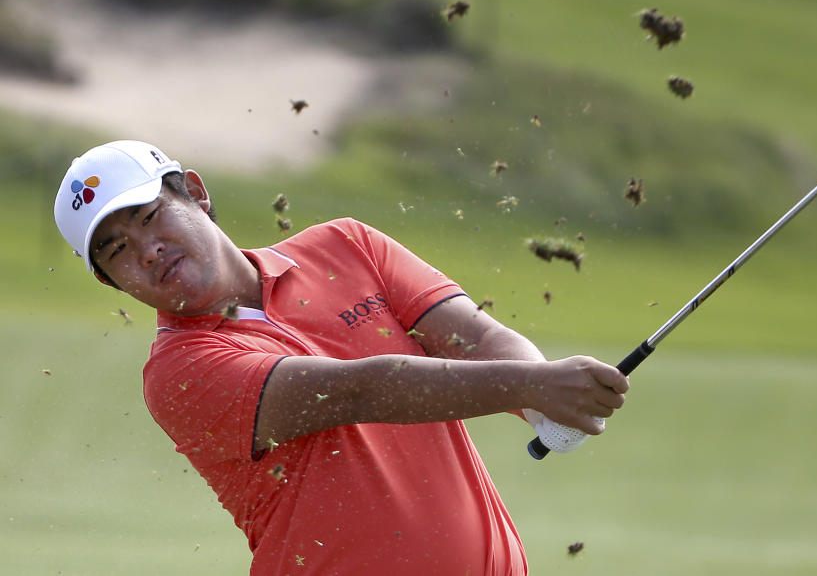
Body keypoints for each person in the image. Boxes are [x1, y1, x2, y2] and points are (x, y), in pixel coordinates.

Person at [53, 140, 629, 576]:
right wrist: (533, 388)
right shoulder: (180, 372)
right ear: (111, 283)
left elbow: (474, 338)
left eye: (150, 217)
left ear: (197, 194)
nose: (147, 251)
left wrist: (540, 400)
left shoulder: (347, 245)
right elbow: (362, 390)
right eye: (117, 251)